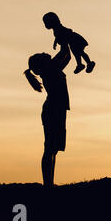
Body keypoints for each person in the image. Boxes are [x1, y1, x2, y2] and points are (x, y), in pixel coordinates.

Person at [24, 42, 71, 187]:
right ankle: (47, 184)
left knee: (53, 149)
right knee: (50, 148)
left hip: (56, 109)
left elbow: (67, 56)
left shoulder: (51, 69)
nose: (45, 53)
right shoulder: (51, 69)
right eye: (41, 56)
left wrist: (63, 38)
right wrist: (63, 37)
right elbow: (65, 53)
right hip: (53, 110)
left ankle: (49, 183)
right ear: (41, 65)